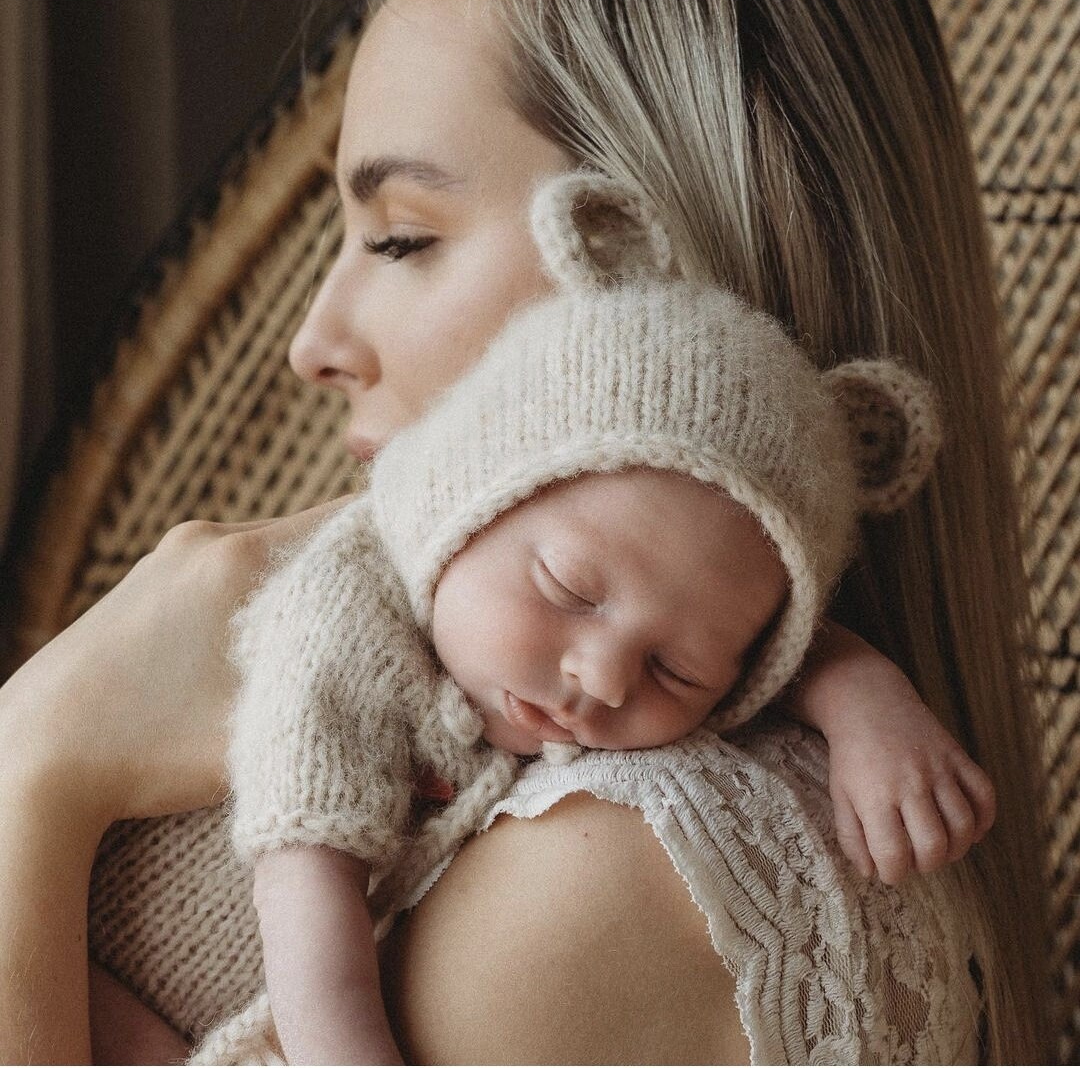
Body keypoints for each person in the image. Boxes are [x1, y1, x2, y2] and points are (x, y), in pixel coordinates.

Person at [0, 0, 1052, 1064]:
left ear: (641, 266)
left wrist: (35, 760)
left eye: (401, 237)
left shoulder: (601, 872)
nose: (313, 343)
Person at [193, 167, 983, 1064]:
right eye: (568, 589)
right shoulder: (343, 614)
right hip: (205, 971)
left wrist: (864, 698)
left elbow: (758, 648)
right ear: (466, 502)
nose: (603, 678)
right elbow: (305, 881)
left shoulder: (618, 670)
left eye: (676, 670)